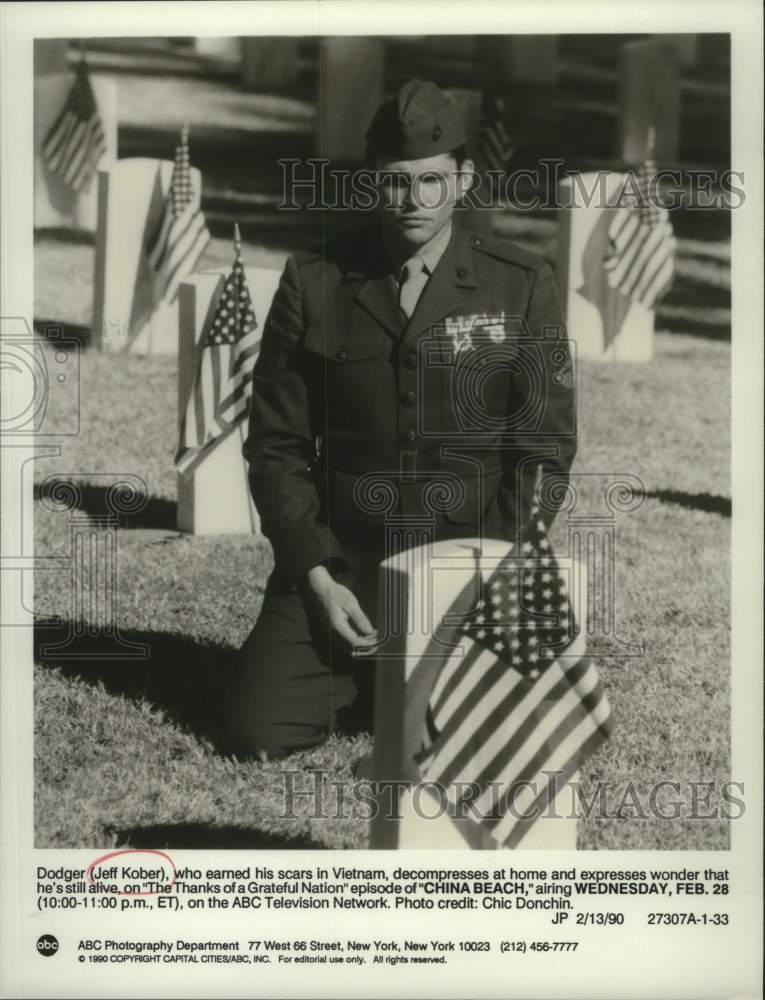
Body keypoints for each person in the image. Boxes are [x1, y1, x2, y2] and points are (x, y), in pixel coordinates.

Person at [226, 79, 576, 759]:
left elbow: (544, 450)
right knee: (261, 731)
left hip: (467, 564)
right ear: (370, 182)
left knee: (484, 741)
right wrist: (316, 577)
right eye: (393, 183)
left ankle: (391, 676)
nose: (412, 201)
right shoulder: (314, 281)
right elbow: (275, 447)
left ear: (463, 179)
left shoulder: (520, 283)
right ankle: (371, 669)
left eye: (429, 181)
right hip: (345, 563)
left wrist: (491, 570)